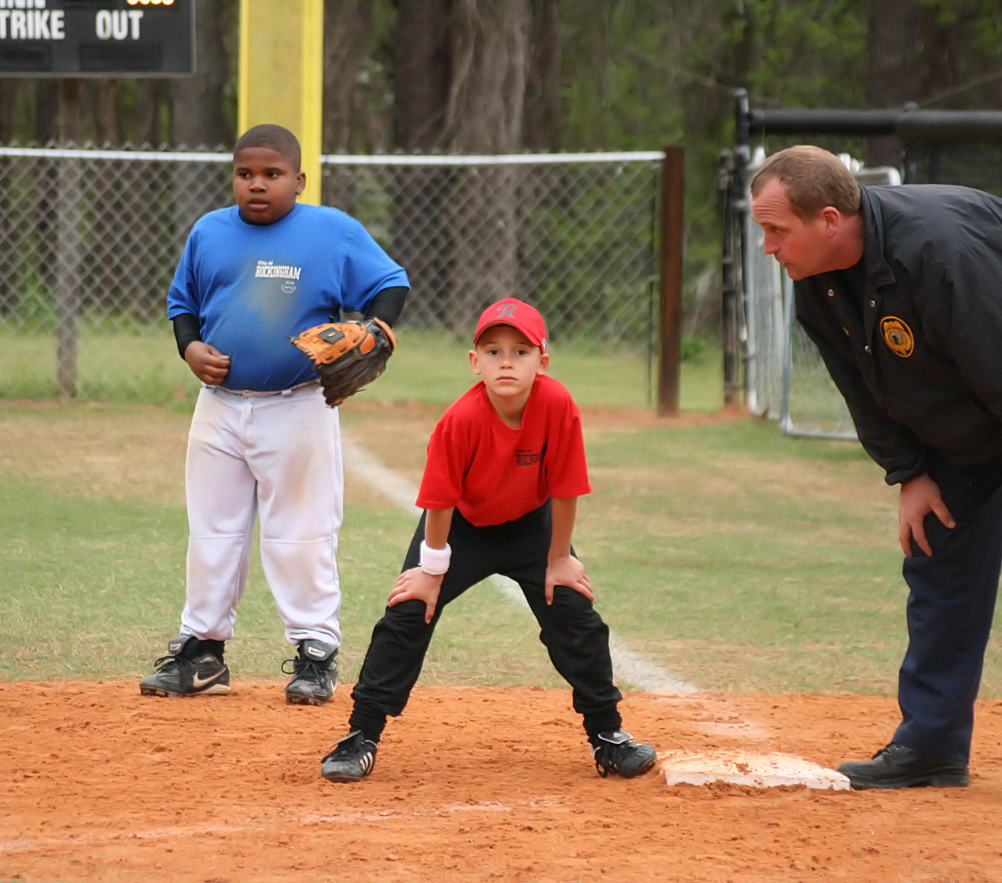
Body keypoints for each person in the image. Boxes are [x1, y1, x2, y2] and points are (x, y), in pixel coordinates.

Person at [749, 145, 1002, 807]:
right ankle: (933, 743)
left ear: (829, 219)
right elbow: (860, 383)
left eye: (777, 229)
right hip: (961, 394)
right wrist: (910, 471)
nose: (766, 245)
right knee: (939, 550)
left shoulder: (944, 254)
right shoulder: (817, 281)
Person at [318, 298, 657, 782]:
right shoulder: (461, 420)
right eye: (493, 351)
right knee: (410, 610)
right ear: (475, 362)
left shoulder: (557, 404)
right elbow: (439, 502)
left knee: (574, 612)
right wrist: (432, 572)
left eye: (521, 351)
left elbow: (565, 488)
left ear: (542, 361)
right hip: (461, 528)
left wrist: (559, 558)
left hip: (531, 526)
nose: (506, 362)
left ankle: (607, 735)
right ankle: (361, 734)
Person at [139, 124, 409, 704]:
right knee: (213, 531)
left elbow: (390, 282)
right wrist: (189, 348)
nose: (256, 185)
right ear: (233, 177)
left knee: (302, 533)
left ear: (298, 180)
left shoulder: (330, 230)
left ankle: (315, 653)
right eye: (245, 174)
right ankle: (203, 652)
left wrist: (377, 326)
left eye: (271, 174)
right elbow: (182, 304)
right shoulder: (209, 232)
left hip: (298, 405)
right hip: (219, 407)